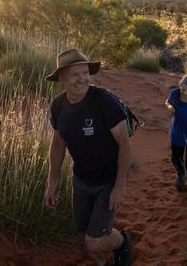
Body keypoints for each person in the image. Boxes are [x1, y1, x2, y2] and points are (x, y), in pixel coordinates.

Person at [43, 48, 133, 266]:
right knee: (83, 236)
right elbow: (58, 143)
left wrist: (119, 186)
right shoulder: (58, 105)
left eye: (85, 73)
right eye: (75, 74)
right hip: (81, 181)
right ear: (62, 78)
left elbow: (124, 142)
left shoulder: (103, 101)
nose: (82, 79)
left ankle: (123, 242)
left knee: (93, 241)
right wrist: (52, 182)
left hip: (107, 181)